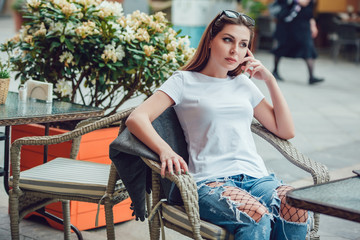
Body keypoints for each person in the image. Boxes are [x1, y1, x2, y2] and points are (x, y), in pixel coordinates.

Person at [125, 10, 310, 239]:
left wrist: (270, 80)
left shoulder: (243, 83)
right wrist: (166, 151)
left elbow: (285, 130)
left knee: (297, 204)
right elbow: (137, 118)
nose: (235, 50)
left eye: (243, 44)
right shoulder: (184, 81)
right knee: (255, 214)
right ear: (210, 40)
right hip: (210, 181)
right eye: (227, 40)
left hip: (257, 177)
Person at [272, 0, 324, 85]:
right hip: (287, 24)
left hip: (303, 25)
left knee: (308, 47)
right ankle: (275, 71)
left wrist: (313, 25)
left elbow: (309, 11)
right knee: (282, 46)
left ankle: (311, 76)